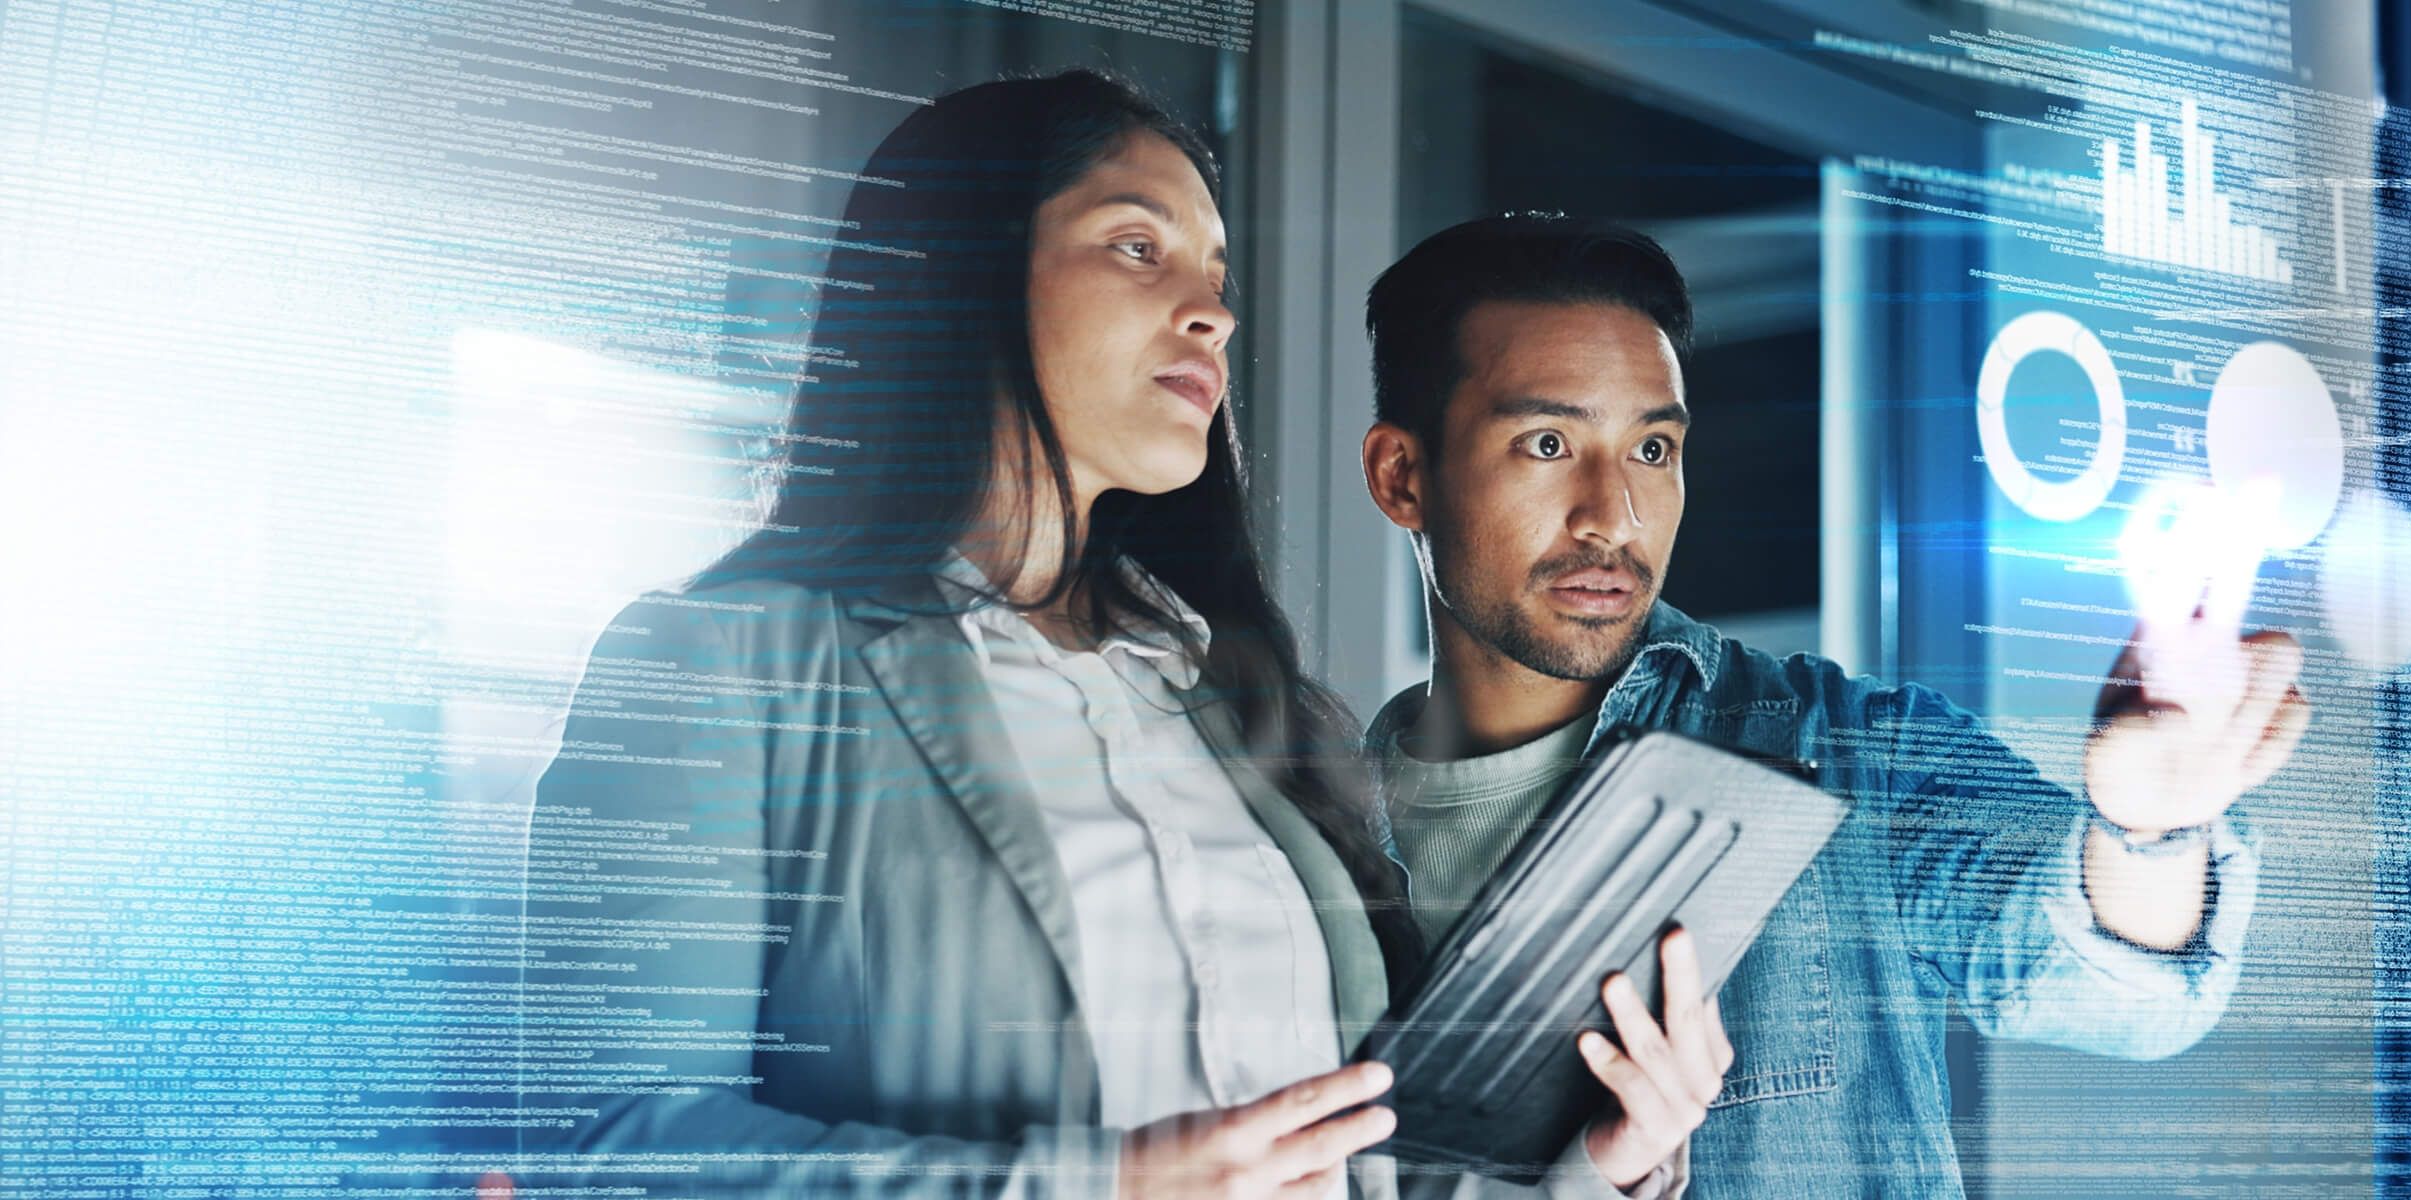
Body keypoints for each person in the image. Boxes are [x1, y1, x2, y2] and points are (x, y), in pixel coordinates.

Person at [518, 75, 1719, 1199]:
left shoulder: (1234, 698)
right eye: (1139, 248)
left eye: (1217, 271)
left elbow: (1346, 1160)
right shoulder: (725, 668)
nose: (1213, 314)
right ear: (960, 267)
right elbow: (602, 1146)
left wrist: (1599, 1170)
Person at [1352, 214, 2313, 1198]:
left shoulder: (1845, 751)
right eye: (1548, 442)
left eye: (1651, 450)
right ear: (1402, 475)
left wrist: (2151, 826)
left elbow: (2114, 992)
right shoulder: (1311, 856)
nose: (1617, 516)